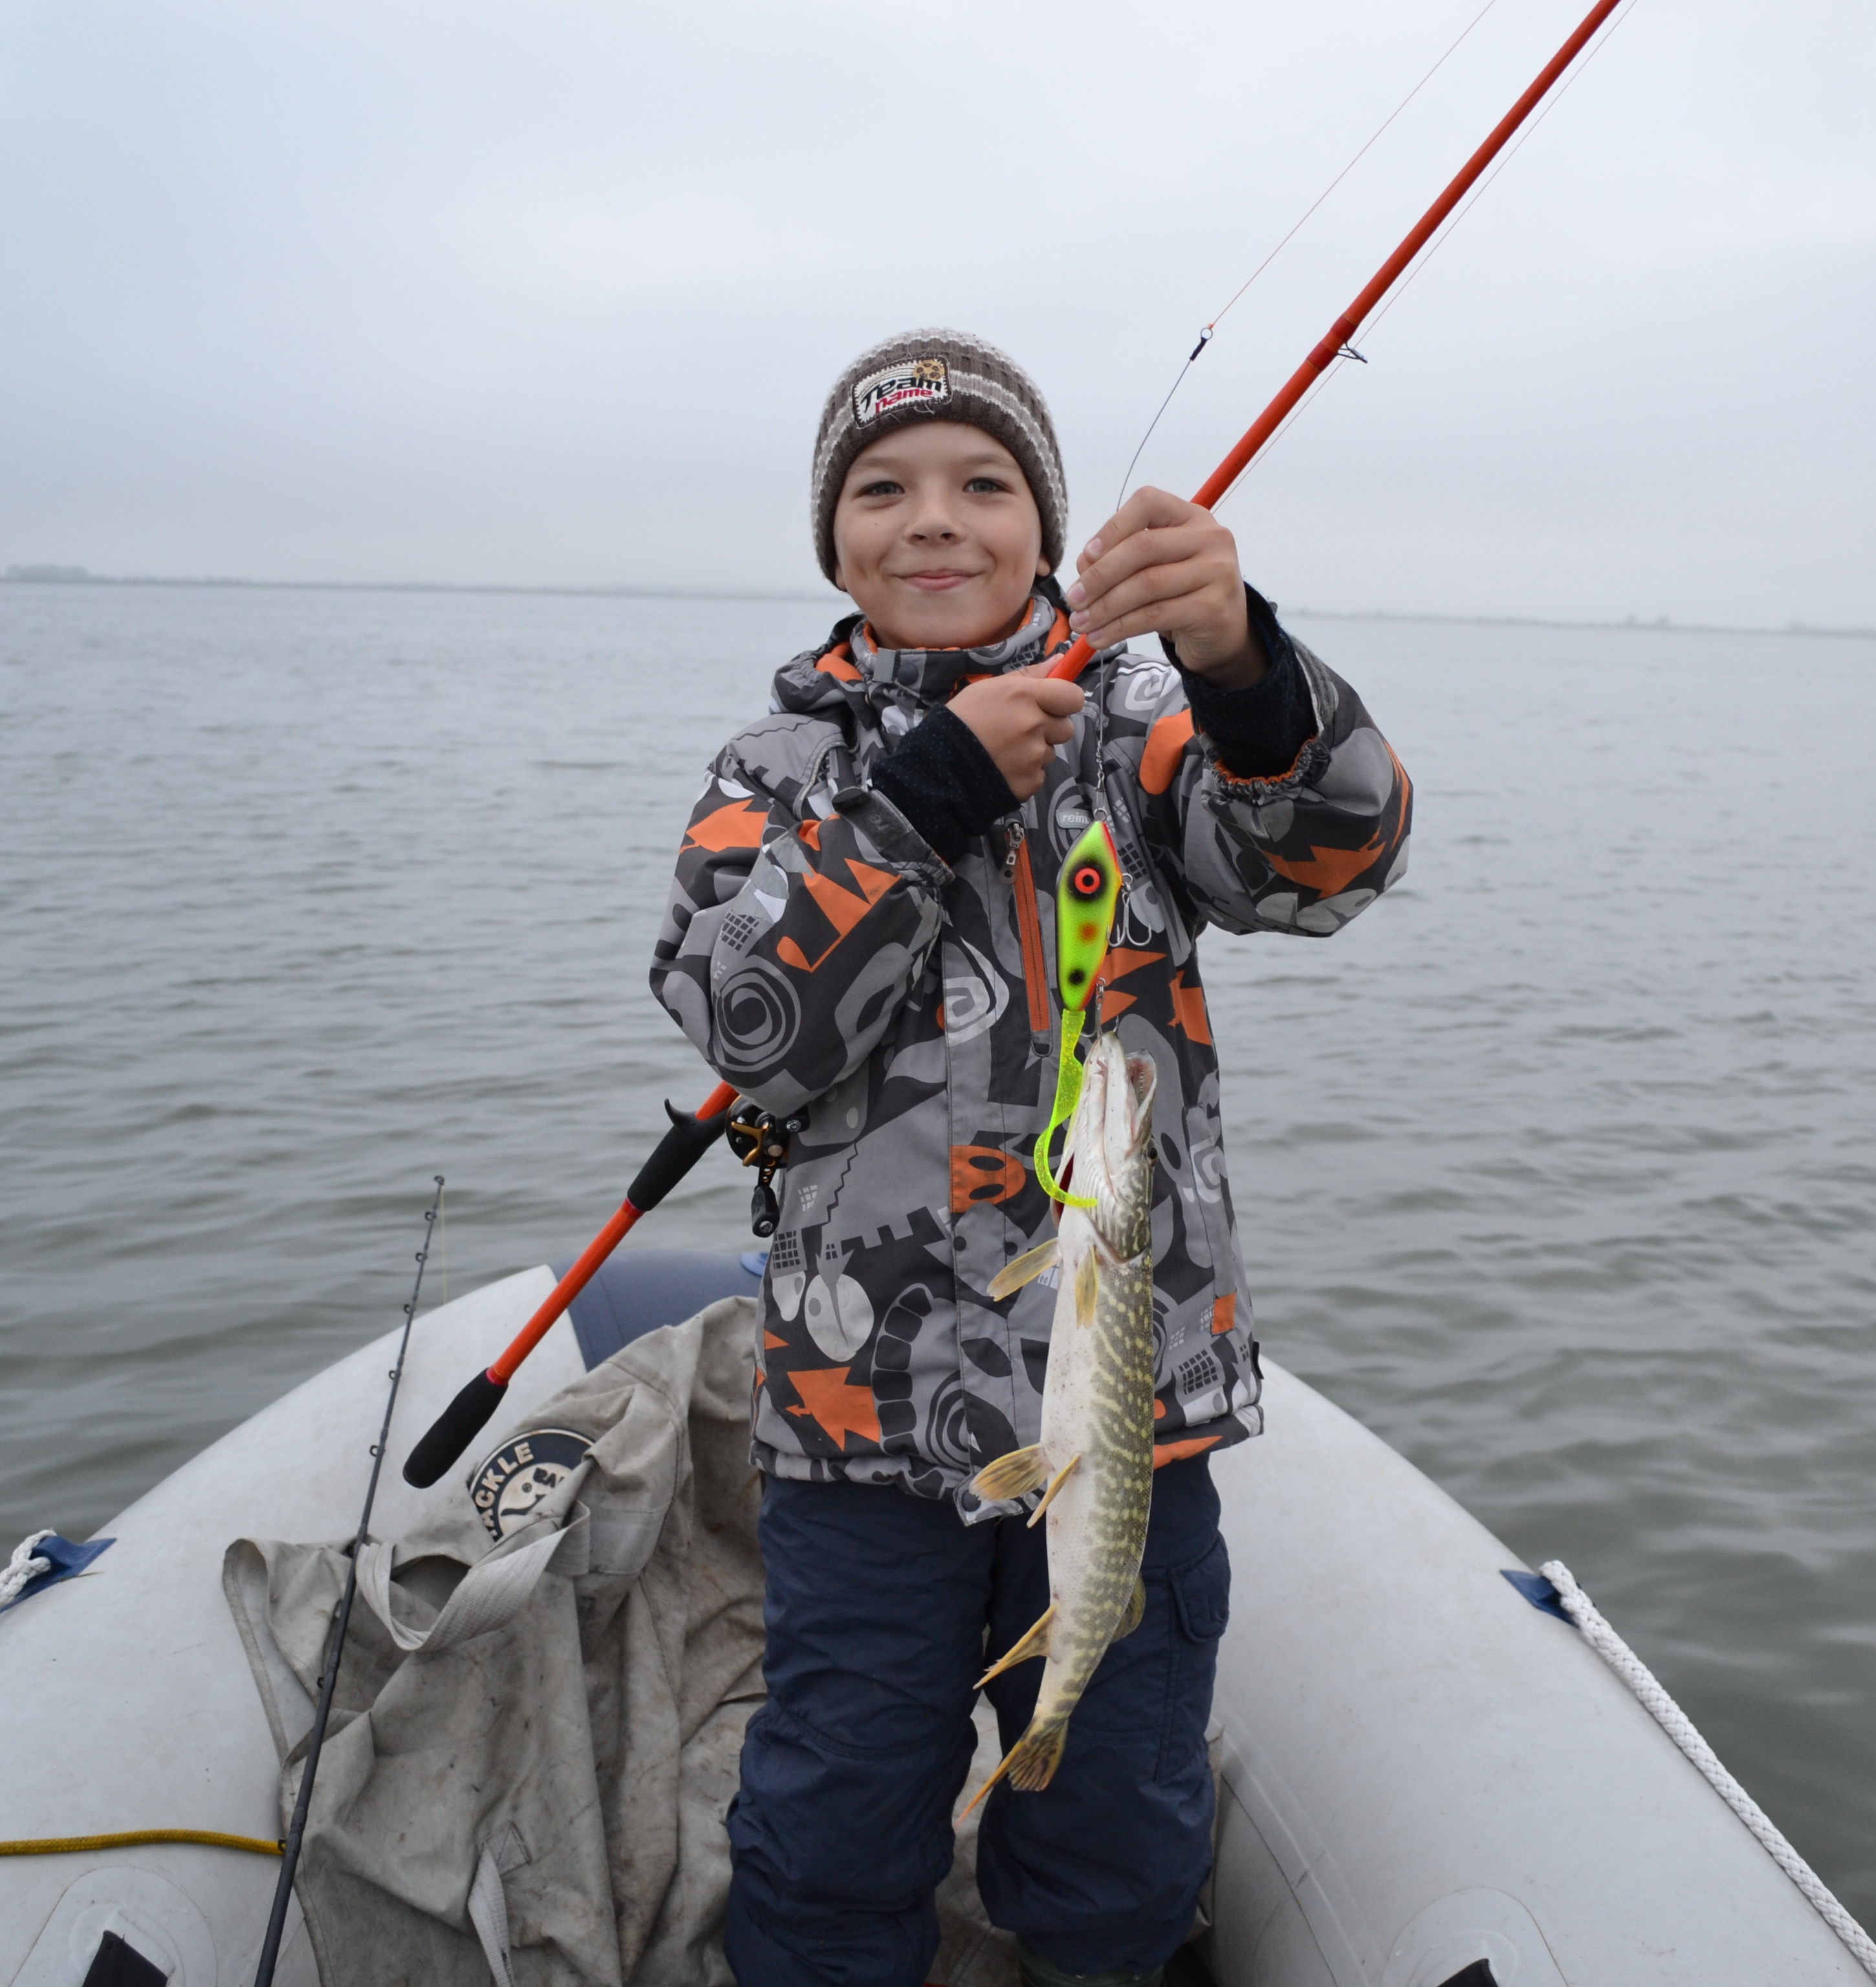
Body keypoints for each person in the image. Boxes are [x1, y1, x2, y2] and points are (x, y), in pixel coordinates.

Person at [650, 329, 1412, 1987]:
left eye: (985, 484)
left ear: (1048, 529)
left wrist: (1243, 664)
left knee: (1121, 1822)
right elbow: (743, 1023)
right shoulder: (779, 772)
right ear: (834, 541)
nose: (935, 518)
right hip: (858, 1431)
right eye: (883, 489)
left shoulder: (1142, 734)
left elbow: (1334, 862)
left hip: (1136, 1419)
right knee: (834, 1816)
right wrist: (920, 798)